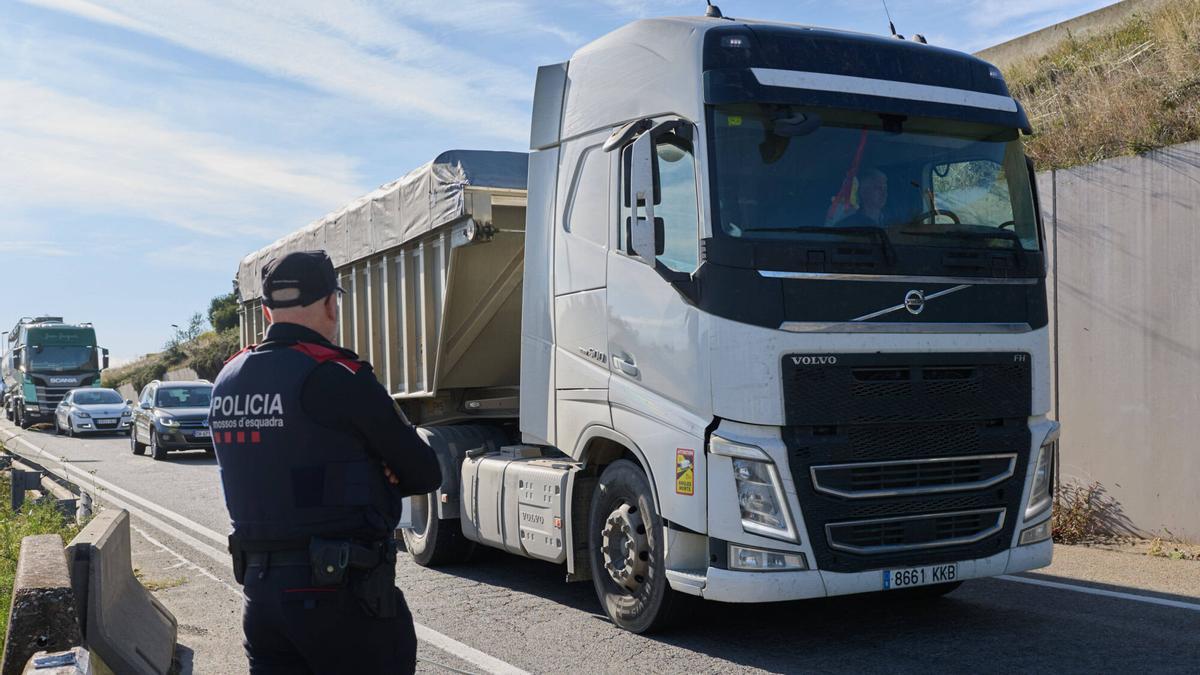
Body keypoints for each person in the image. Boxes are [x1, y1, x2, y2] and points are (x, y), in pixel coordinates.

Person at [210, 250, 441, 674]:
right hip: (339, 598)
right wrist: (379, 468)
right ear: (332, 304)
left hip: (261, 600)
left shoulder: (227, 380)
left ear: (266, 311)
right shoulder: (336, 375)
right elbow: (424, 470)